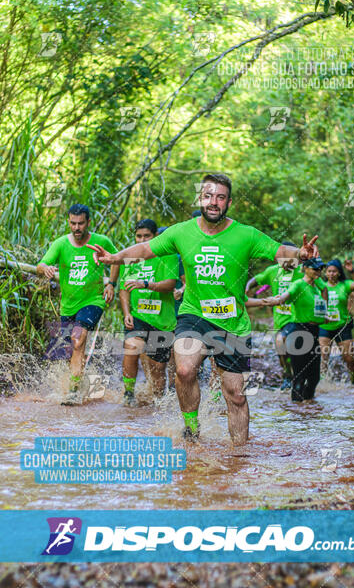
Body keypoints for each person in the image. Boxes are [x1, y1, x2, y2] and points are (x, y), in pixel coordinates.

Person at [88, 173, 319, 445]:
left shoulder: (245, 235)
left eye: (220, 197)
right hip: (194, 315)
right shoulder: (181, 231)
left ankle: (239, 455)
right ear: (200, 198)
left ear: (229, 202)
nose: (213, 202)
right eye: (208, 196)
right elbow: (146, 249)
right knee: (185, 370)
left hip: (233, 323)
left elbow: (276, 250)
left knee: (235, 394)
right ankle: (191, 428)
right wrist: (115, 257)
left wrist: (299, 254)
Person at [37, 204, 118, 405]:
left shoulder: (101, 241)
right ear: (68, 222)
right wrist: (45, 269)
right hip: (68, 305)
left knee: (78, 339)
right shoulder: (61, 244)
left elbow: (117, 260)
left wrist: (112, 285)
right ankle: (80, 382)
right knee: (69, 350)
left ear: (88, 222)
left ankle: (73, 392)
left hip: (93, 300)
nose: (76, 227)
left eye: (81, 223)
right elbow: (41, 264)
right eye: (73, 223)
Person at [119, 219, 179, 404]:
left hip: (162, 321)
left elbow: (169, 285)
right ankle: (128, 394)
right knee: (131, 346)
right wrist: (127, 312)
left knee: (157, 370)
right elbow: (124, 288)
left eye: (147, 236)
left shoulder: (168, 256)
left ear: (155, 237)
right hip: (138, 316)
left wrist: (145, 284)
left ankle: (159, 403)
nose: (142, 240)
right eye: (139, 236)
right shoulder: (131, 258)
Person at [264, 257, 328, 402]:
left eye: (320, 269)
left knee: (314, 377)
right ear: (305, 268)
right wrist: (278, 300)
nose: (319, 271)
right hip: (299, 333)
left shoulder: (316, 285)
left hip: (313, 333)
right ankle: (296, 414)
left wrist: (325, 311)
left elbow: (325, 290)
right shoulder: (298, 284)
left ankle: (308, 408)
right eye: (315, 269)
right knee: (300, 376)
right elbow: (288, 294)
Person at [245, 242, 303, 391]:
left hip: (298, 317)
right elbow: (256, 280)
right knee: (281, 349)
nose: (285, 262)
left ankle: (298, 377)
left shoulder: (302, 271)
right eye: (281, 259)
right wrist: (246, 288)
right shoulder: (272, 271)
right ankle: (287, 376)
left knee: (290, 346)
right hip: (280, 319)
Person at [318, 259, 354, 384]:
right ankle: (322, 383)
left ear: (339, 273)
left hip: (343, 326)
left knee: (348, 357)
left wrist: (352, 271)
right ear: (325, 273)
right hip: (324, 326)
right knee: (323, 356)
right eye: (329, 271)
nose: (331, 274)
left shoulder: (345, 285)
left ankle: (353, 379)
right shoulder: (321, 285)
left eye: (334, 271)